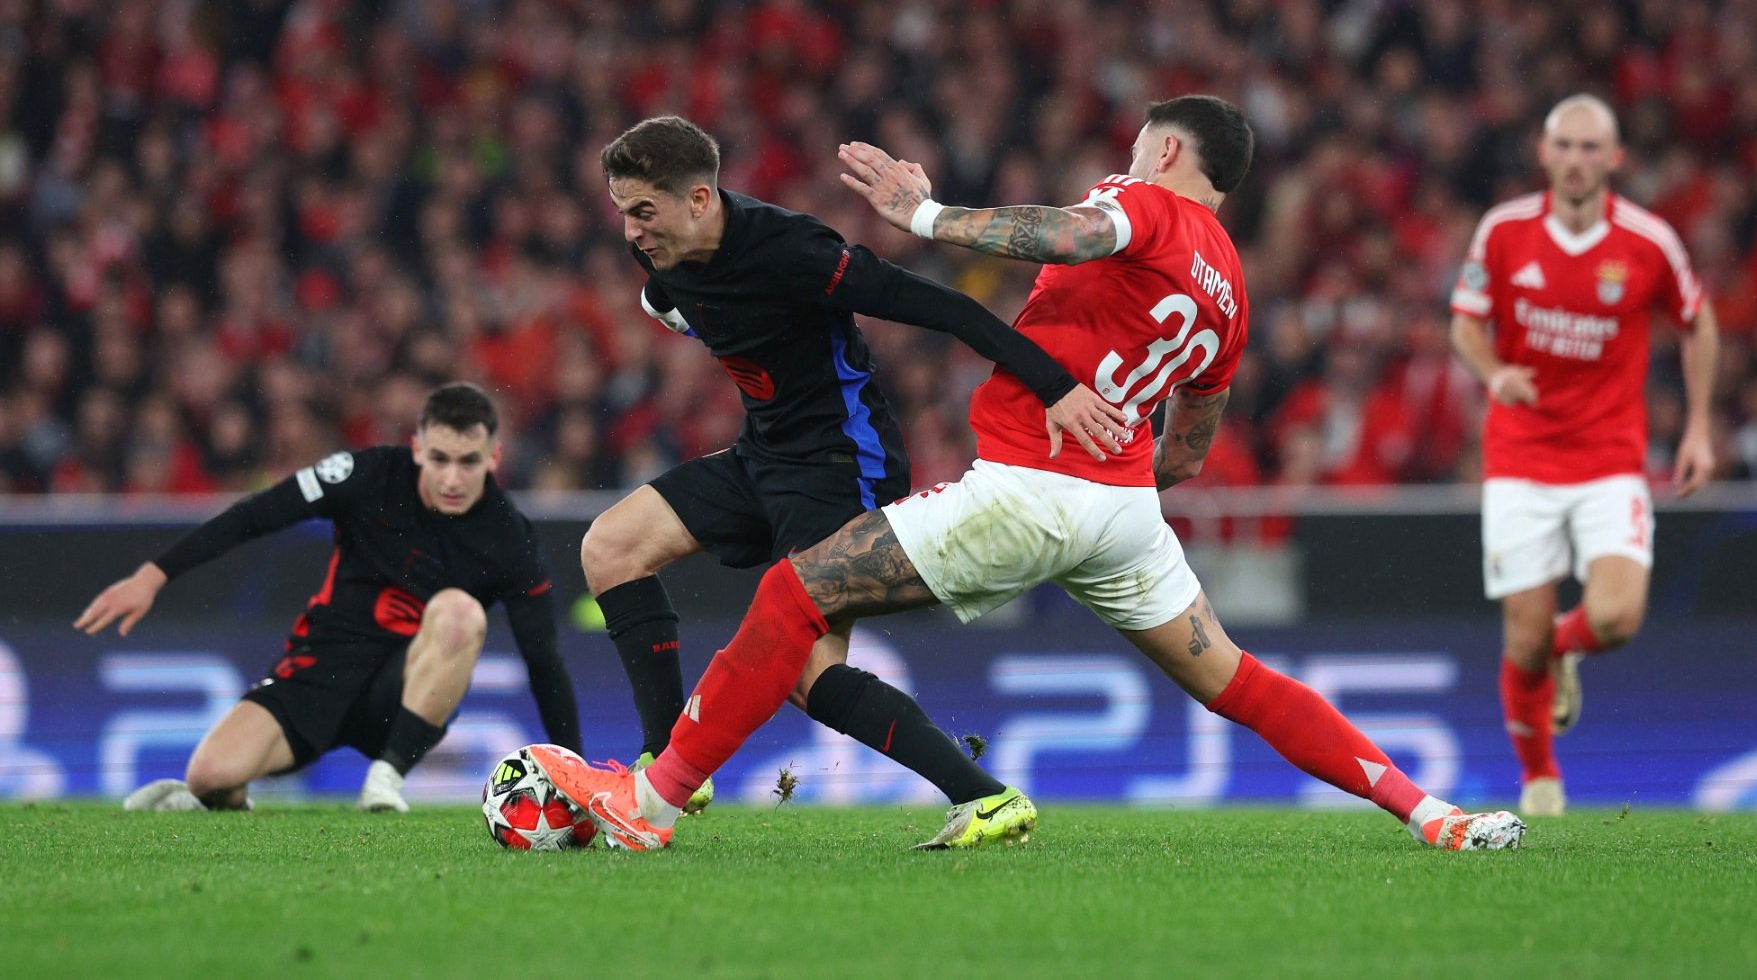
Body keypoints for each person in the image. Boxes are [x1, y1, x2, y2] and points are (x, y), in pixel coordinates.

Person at [530, 95, 1525, 853]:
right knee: (1236, 678)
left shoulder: (1145, 207)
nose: (1125, 162)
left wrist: (927, 213)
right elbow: (1189, 448)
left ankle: (650, 804)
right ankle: (1431, 812)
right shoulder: (1230, 294)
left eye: (1138, 148)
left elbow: (1070, 234)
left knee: (791, 593)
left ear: (1169, 151)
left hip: (1031, 484)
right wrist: (1109, 485)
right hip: (1125, 507)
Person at [579, 116, 1125, 834]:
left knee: (805, 674)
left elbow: (945, 306)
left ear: (701, 200)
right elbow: (676, 301)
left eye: (643, 212)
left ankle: (986, 796)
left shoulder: (794, 250)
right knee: (609, 546)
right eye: (622, 213)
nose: (630, 232)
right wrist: (673, 312)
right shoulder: (665, 254)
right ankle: (665, 759)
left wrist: (1055, 385)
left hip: (842, 463)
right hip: (762, 455)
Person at [76, 382, 583, 812]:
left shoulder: (509, 536)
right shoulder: (367, 475)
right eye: (440, 459)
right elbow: (258, 514)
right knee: (209, 773)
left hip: (403, 694)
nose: (453, 478)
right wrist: (154, 575)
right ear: (417, 449)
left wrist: (577, 774)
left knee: (460, 612)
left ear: (494, 456)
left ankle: (386, 778)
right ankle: (218, 803)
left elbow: (545, 661)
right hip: (323, 667)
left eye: (469, 462)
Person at [1448, 94, 1718, 818]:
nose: (1575, 160)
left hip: (1609, 458)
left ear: (1616, 157)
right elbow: (1465, 324)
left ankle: (1567, 651)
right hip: (1519, 457)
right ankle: (1540, 778)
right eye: (1563, 145)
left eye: (1590, 147)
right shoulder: (1503, 231)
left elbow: (1699, 321)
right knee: (1524, 634)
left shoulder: (1648, 240)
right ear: (1544, 152)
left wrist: (1696, 427)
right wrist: (1494, 372)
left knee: (1618, 616)